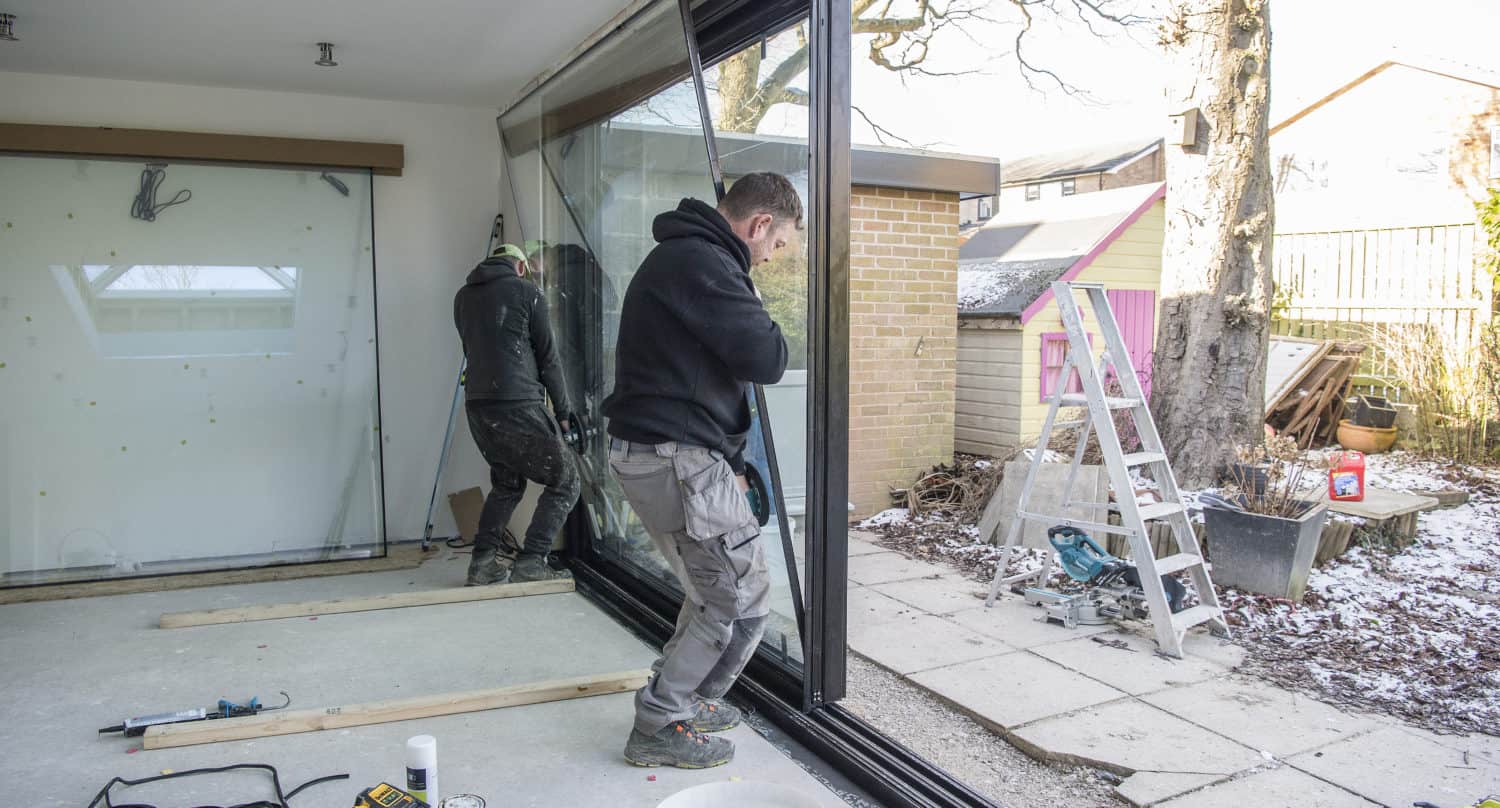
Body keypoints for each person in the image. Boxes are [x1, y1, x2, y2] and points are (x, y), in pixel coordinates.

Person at [603, 172, 800, 769]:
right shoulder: (704, 262)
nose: (772, 257)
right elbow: (766, 356)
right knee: (738, 602)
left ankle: (681, 699)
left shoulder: (687, 258)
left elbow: (706, 374)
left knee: (712, 589)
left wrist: (733, 463)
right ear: (760, 223)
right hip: (676, 458)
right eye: (779, 243)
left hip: (670, 453)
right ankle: (661, 722)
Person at [453, 243, 579, 586]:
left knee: (507, 483)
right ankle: (531, 561)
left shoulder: (462, 297)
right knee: (566, 482)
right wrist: (564, 412)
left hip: (478, 406)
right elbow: (549, 358)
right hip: (517, 402)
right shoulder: (527, 292)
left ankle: (481, 564)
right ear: (520, 267)